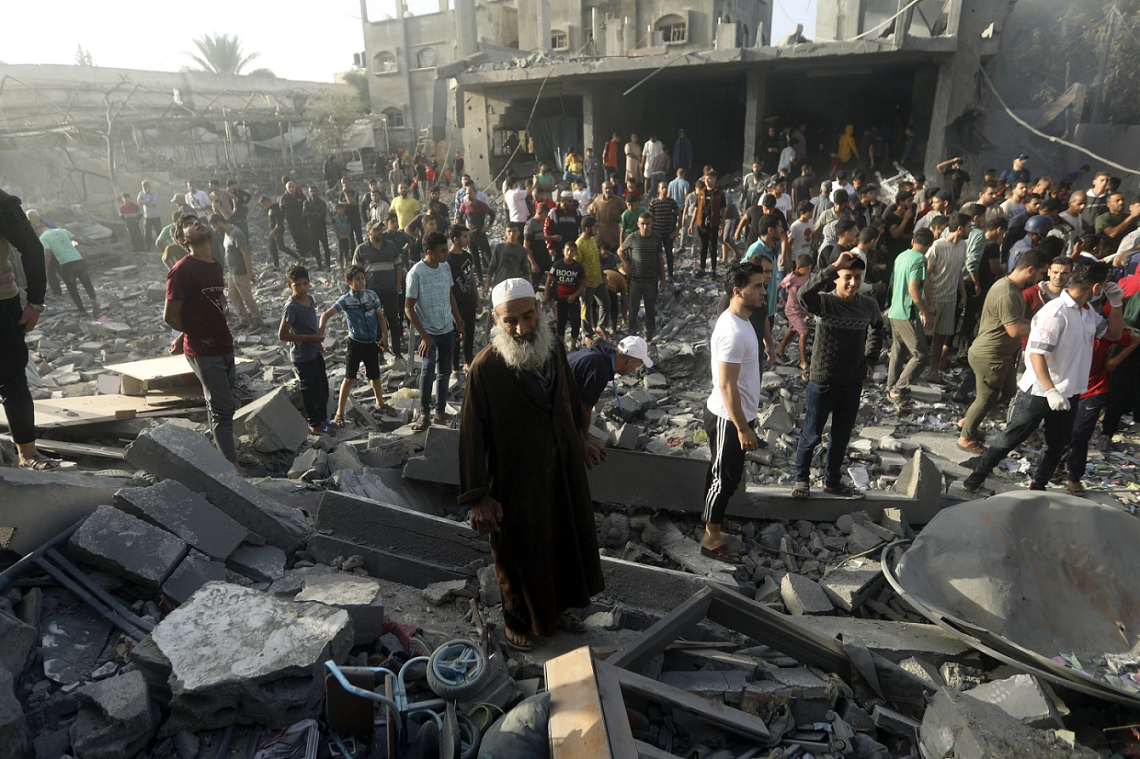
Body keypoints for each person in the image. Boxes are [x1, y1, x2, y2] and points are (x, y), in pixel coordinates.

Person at [459, 277, 603, 651]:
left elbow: (569, 400)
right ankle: (516, 620)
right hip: (514, 479)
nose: (522, 329)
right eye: (511, 321)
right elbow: (472, 437)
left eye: (528, 317)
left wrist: (581, 440)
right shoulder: (485, 369)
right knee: (518, 553)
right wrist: (479, 498)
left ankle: (553, 611)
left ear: (539, 310)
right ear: (496, 320)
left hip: (559, 469)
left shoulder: (552, 348)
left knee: (560, 541)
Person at [963, 263, 1124, 492]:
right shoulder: (1055, 312)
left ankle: (1038, 486)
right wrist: (1050, 390)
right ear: (1096, 286)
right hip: (1039, 391)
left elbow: (1114, 334)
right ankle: (977, 477)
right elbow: (1037, 355)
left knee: (1056, 446)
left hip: (1070, 392)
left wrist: (1116, 304)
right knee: (1011, 437)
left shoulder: (1088, 313)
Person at [793, 251, 884, 500]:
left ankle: (832, 481)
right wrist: (833, 266)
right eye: (847, 277)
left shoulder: (868, 305)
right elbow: (802, 296)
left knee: (840, 438)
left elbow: (877, 327)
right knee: (811, 435)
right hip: (823, 380)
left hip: (852, 382)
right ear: (836, 278)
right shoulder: (824, 303)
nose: (853, 283)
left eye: (857, 277)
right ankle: (801, 479)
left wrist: (870, 358)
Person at [700, 262, 768, 564]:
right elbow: (727, 386)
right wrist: (743, 428)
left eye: (763, 285)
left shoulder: (743, 322)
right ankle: (711, 538)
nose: (763, 291)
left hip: (736, 415)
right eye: (757, 286)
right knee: (724, 478)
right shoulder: (731, 331)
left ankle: (714, 518)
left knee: (723, 474)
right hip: (728, 418)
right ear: (737, 291)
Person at [957, 248, 1053, 453]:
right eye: (1040, 273)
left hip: (1001, 355)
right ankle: (965, 438)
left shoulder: (1009, 287)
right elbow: (1015, 329)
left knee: (1007, 392)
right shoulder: (1007, 293)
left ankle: (969, 421)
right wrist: (1048, 331)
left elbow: (1019, 321)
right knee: (987, 397)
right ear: (1030, 269)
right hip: (990, 354)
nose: (1041, 278)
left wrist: (1035, 322)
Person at [164, 215, 239, 466]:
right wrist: (191, 335)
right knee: (222, 407)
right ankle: (230, 465)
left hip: (224, 343)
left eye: (198, 220)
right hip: (204, 350)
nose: (197, 223)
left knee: (224, 402)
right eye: (189, 223)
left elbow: (208, 306)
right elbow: (170, 316)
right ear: (182, 239)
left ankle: (224, 451)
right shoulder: (182, 270)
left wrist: (188, 331)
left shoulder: (216, 265)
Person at [0, 188, 55, 470]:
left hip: (1, 302)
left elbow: (32, 247)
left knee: (12, 380)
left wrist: (35, 301)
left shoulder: (3, 203)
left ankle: (27, 453)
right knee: (12, 382)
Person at [319, 265, 395, 427]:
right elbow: (326, 315)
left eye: (362, 278)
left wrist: (384, 336)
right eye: (357, 279)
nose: (361, 282)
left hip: (372, 343)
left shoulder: (372, 296)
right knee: (349, 377)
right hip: (355, 344)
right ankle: (339, 413)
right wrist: (320, 332)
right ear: (348, 282)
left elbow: (381, 317)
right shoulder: (346, 300)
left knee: (374, 375)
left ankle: (380, 403)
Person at [1066, 322, 1136, 496]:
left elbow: (1134, 340)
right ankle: (1057, 467)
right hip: (1065, 389)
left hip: (1093, 390)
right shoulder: (1065, 326)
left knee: (1080, 434)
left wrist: (1113, 362)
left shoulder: (1102, 329)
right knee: (1062, 433)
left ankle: (1074, 479)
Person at [405, 231, 464, 430]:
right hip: (428, 332)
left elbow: (450, 294)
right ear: (429, 252)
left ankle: (439, 412)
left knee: (444, 373)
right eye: (442, 251)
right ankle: (424, 414)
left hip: (447, 328)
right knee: (428, 370)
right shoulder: (416, 273)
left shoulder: (445, 267)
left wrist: (458, 320)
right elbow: (408, 307)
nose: (446, 254)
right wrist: (424, 336)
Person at [568, 334, 650, 444]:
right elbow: (585, 409)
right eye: (636, 366)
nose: (634, 370)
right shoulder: (599, 369)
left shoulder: (602, 354)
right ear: (630, 362)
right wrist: (585, 441)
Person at [279, 265, 331, 435]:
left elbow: (311, 325)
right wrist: (311, 339)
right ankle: (314, 425)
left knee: (322, 386)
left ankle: (323, 420)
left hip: (314, 351)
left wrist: (317, 342)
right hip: (302, 356)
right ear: (290, 286)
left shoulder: (310, 299)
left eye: (304, 284)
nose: (302, 288)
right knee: (309, 391)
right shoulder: (291, 307)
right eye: (297, 285)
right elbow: (283, 335)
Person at [886, 229, 934, 400]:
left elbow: (892, 284)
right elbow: (913, 289)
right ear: (929, 245)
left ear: (912, 241)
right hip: (908, 313)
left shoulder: (901, 256)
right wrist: (925, 312)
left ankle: (892, 386)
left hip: (894, 311)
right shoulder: (920, 260)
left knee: (898, 352)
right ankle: (898, 388)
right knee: (920, 355)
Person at [924, 213, 969, 383]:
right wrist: (928, 302)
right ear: (959, 228)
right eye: (968, 226)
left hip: (950, 298)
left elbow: (958, 272)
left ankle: (933, 372)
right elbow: (926, 275)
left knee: (940, 337)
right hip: (934, 296)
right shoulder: (937, 246)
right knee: (921, 336)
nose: (969, 230)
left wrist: (963, 294)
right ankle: (908, 370)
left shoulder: (962, 245)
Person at [352, 220, 404, 357]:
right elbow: (356, 273)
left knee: (394, 322)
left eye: (381, 229)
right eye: (376, 230)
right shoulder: (361, 249)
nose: (380, 232)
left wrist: (397, 286)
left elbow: (398, 267)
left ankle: (397, 352)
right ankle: (379, 353)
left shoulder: (390, 246)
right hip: (371, 294)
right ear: (369, 231)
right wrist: (361, 292)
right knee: (375, 323)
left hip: (390, 291)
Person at [209, 215, 262, 330]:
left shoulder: (236, 233)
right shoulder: (227, 233)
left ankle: (257, 319)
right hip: (232, 271)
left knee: (246, 296)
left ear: (219, 222)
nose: (214, 229)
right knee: (233, 296)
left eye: (214, 226)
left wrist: (250, 272)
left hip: (240, 271)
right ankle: (244, 320)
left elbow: (245, 254)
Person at [619, 212, 667, 341]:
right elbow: (620, 250)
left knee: (650, 309)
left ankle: (648, 334)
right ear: (638, 224)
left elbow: (660, 258)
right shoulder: (632, 237)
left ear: (652, 224)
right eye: (643, 224)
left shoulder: (656, 238)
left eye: (648, 224)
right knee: (633, 309)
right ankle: (631, 334)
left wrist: (663, 278)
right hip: (635, 280)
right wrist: (625, 264)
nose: (645, 227)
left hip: (651, 280)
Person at [37, 223, 98, 316]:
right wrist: (73, 245)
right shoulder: (63, 231)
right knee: (87, 283)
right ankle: (94, 301)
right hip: (78, 259)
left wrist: (45, 268)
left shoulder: (43, 237)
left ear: (39, 231)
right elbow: (80, 240)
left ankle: (82, 310)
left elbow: (47, 253)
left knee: (72, 288)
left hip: (65, 263)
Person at [445, 224, 481, 373]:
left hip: (469, 300)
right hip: (455, 302)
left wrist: (477, 299)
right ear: (455, 239)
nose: (467, 239)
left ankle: (468, 361)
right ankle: (454, 366)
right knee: (454, 334)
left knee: (470, 332)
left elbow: (471, 277)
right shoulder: (448, 258)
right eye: (464, 237)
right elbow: (447, 284)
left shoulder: (467, 256)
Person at [545, 241, 587, 350]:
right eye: (567, 250)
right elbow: (548, 282)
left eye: (572, 251)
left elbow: (583, 284)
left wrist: (574, 295)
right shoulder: (557, 265)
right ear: (563, 251)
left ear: (575, 253)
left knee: (575, 322)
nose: (569, 252)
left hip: (574, 299)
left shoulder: (578, 267)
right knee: (560, 323)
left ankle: (573, 346)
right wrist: (546, 297)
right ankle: (561, 346)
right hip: (560, 299)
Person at [777, 254, 814, 376]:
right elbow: (780, 286)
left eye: (810, 269)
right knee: (804, 332)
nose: (809, 271)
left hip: (801, 309)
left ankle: (780, 349)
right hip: (792, 309)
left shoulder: (807, 275)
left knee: (793, 330)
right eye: (806, 269)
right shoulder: (791, 278)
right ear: (798, 268)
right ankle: (803, 362)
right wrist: (774, 299)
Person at [575, 217, 607, 340]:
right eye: (595, 227)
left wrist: (603, 274)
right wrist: (580, 287)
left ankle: (600, 326)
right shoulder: (579, 244)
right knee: (586, 309)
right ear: (587, 229)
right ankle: (587, 334)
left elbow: (597, 259)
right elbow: (576, 266)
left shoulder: (593, 240)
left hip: (598, 280)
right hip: (586, 284)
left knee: (605, 304)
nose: (597, 230)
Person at [690, 172, 726, 275]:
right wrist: (692, 223)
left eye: (709, 178)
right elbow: (696, 209)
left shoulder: (720, 194)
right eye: (705, 178)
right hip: (701, 225)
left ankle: (713, 270)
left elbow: (723, 211)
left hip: (713, 225)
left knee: (713, 248)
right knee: (702, 248)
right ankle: (702, 269)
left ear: (715, 179)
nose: (706, 180)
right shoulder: (701, 193)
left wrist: (722, 226)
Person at [648, 180, 681, 280]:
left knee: (669, 255)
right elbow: (649, 218)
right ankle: (658, 275)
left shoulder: (671, 202)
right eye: (663, 188)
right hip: (656, 233)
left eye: (666, 187)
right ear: (658, 189)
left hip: (668, 233)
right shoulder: (654, 202)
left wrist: (677, 230)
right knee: (656, 255)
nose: (665, 190)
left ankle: (670, 274)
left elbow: (680, 215)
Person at [486, 222, 531, 292]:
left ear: (518, 233)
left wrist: (528, 289)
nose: (512, 234)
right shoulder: (499, 248)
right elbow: (491, 267)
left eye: (514, 231)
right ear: (505, 234)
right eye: (509, 231)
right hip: (499, 284)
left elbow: (525, 271)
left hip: (514, 286)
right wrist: (487, 286)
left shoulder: (522, 251)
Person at [259, 195, 298, 270]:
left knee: (281, 247)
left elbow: (279, 223)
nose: (264, 207)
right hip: (273, 231)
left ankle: (298, 257)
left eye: (264, 205)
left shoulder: (276, 208)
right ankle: (276, 265)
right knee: (272, 248)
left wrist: (272, 232)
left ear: (267, 202)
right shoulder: (270, 209)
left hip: (278, 231)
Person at [281, 181, 312, 262]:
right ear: (286, 189)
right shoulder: (284, 197)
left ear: (295, 187)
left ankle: (309, 251)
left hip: (302, 220)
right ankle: (301, 253)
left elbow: (307, 206)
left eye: (292, 187)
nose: (291, 189)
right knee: (296, 237)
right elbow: (281, 210)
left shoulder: (301, 196)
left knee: (305, 235)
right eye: (289, 187)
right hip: (291, 222)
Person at [303, 186, 331, 269]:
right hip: (311, 228)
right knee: (315, 247)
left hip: (321, 227)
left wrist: (311, 215)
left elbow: (322, 215)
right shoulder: (306, 203)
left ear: (317, 191)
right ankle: (319, 265)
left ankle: (328, 264)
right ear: (308, 192)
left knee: (325, 246)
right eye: (311, 191)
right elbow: (304, 214)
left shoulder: (322, 203)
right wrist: (315, 214)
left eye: (314, 191)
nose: (312, 193)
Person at [340, 178, 364, 247]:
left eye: (346, 182)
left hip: (355, 217)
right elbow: (339, 203)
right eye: (343, 183)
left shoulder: (354, 191)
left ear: (349, 182)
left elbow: (351, 202)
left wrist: (346, 193)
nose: (345, 184)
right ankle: (353, 255)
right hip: (347, 219)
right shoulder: (341, 193)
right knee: (350, 239)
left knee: (359, 237)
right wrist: (347, 202)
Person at [332, 204, 353, 272]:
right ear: (336, 210)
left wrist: (347, 234)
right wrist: (340, 234)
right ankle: (341, 267)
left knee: (346, 251)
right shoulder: (334, 218)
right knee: (340, 252)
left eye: (342, 209)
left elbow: (349, 226)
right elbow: (334, 227)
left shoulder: (346, 218)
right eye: (339, 209)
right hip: (339, 237)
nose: (341, 210)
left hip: (346, 236)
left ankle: (346, 265)